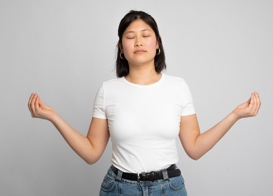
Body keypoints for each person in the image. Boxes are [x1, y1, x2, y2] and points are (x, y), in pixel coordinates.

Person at [28, 10, 261, 196]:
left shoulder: (178, 87)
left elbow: (195, 148)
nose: (138, 41)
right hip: (119, 189)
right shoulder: (108, 91)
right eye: (130, 37)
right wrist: (53, 117)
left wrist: (235, 115)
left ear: (157, 44)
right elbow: (91, 153)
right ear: (122, 48)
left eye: (145, 35)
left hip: (169, 188)